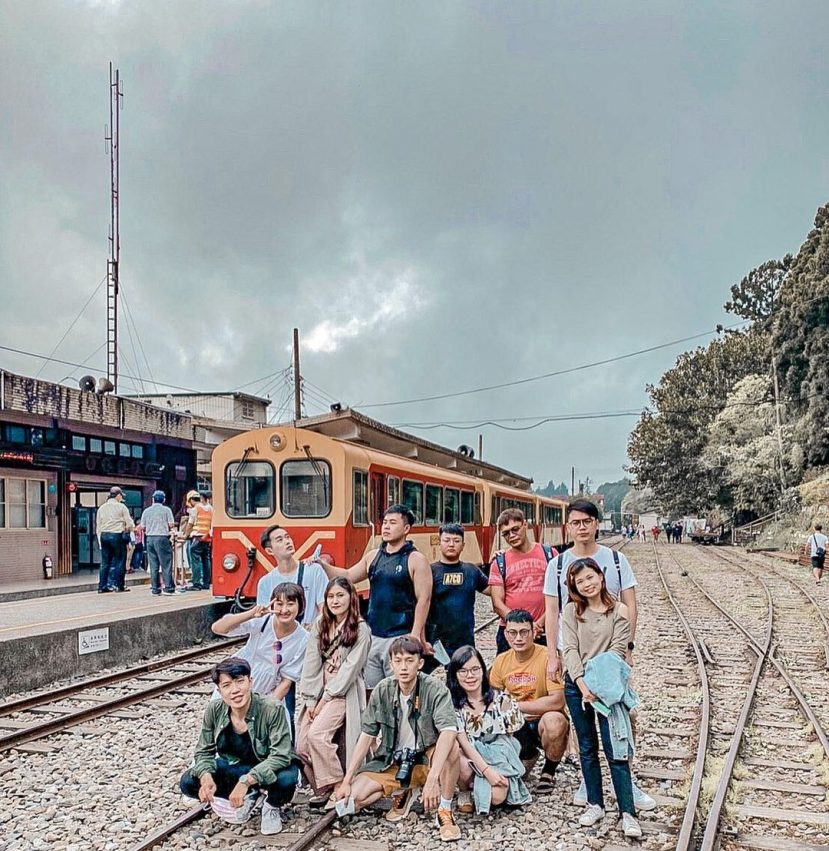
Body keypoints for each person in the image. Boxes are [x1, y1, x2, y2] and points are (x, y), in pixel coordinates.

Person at [543, 498, 653, 810]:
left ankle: (626, 781)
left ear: (595, 524)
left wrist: (627, 648)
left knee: (622, 719)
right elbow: (551, 612)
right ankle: (587, 781)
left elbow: (630, 605)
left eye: (586, 522)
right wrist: (553, 654)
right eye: (575, 522)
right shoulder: (558, 565)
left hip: (611, 658)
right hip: (576, 656)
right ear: (569, 526)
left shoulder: (616, 560)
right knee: (584, 725)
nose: (581, 527)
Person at [333, 635, 462, 842]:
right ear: (391, 663)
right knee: (351, 800)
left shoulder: (435, 689)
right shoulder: (383, 690)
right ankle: (405, 789)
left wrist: (432, 779)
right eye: (398, 661)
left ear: (420, 663)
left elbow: (448, 731)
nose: (404, 667)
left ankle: (445, 811)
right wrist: (347, 780)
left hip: (426, 759)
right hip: (394, 760)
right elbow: (367, 735)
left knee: (452, 748)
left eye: (409, 661)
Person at [561, 558, 642, 839]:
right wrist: (582, 684)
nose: (586, 584)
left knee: (615, 748)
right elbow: (569, 649)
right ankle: (595, 802)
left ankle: (627, 812)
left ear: (600, 575)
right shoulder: (571, 611)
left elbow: (618, 650)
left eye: (590, 577)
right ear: (574, 587)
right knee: (586, 745)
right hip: (577, 685)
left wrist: (596, 685)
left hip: (606, 686)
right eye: (579, 581)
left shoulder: (619, 610)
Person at [179, 657, 299, 835]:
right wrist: (206, 778)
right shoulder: (214, 710)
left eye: (240, 681)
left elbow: (281, 755)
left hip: (269, 768)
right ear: (219, 691)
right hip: (237, 767)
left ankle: (271, 806)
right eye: (226, 685)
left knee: (287, 779)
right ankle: (252, 794)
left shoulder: (272, 708)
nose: (235, 690)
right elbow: (204, 750)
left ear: (250, 682)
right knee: (188, 782)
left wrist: (246, 781)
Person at [322, 505, 433, 689]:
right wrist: (321, 564)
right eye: (385, 523)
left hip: (400, 635)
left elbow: (424, 599)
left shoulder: (416, 559)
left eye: (392, 523)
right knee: (373, 690)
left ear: (406, 529)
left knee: (400, 689)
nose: (386, 527)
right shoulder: (373, 556)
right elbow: (348, 576)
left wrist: (415, 634)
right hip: (373, 635)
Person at [296, 578, 371, 807]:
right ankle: (323, 786)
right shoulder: (321, 624)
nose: (335, 601)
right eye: (331, 596)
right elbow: (311, 661)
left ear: (351, 598)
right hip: (317, 692)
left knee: (317, 735)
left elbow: (350, 670)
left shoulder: (361, 630)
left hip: (342, 692)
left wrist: (325, 699)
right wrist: (310, 699)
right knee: (301, 745)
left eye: (340, 595)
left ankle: (338, 784)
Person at [489, 609, 568, 794]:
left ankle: (549, 771)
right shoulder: (501, 661)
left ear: (533, 632)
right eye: (513, 633)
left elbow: (557, 700)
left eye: (524, 632)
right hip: (516, 724)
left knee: (555, 722)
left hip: (541, 720)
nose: (519, 638)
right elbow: (494, 700)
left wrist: (515, 705)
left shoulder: (548, 657)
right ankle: (527, 754)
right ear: (506, 634)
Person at [447, 645, 530, 815]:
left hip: (498, 754)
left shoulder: (501, 700)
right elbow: (465, 744)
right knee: (462, 763)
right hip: (471, 757)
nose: (470, 676)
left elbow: (510, 738)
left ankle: (490, 786)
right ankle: (465, 790)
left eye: (475, 669)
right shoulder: (453, 706)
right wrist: (487, 772)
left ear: (483, 671)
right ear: (455, 674)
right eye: (463, 671)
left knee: (497, 797)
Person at [210, 583, 309, 716]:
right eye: (279, 604)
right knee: (221, 723)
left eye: (290, 604)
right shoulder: (262, 621)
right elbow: (218, 628)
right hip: (237, 679)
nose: (284, 610)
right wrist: (251, 614)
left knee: (276, 725)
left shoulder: (303, 638)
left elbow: (287, 680)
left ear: (300, 605)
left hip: (267, 690)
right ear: (272, 605)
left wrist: (268, 707)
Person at [488, 508, 557, 654]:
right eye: (506, 533)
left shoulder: (550, 554)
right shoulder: (500, 562)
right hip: (511, 633)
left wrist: (538, 625)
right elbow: (497, 603)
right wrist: (521, 627)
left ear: (525, 525)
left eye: (515, 529)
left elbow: (559, 595)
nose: (511, 536)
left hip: (545, 629)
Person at [425, 523, 491, 670]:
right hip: (434, 639)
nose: (451, 544)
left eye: (456, 541)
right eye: (446, 540)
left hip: (463, 638)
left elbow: (492, 590)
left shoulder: (471, 570)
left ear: (463, 545)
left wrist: (501, 563)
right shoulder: (430, 571)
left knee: (461, 681)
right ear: (439, 542)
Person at [256, 525, 329, 626]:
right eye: (280, 540)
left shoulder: (314, 570)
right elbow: (264, 617)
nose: (287, 541)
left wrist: (315, 630)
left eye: (287, 537)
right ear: (269, 550)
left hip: (311, 635)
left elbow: (325, 608)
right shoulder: (265, 582)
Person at [96, 486, 135, 593]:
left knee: (105, 562)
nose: (121, 497)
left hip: (104, 536)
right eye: (121, 495)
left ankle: (102, 586)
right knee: (120, 561)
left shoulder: (102, 508)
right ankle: (119, 586)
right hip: (117, 535)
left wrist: (100, 541)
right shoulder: (121, 507)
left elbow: (98, 526)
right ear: (118, 495)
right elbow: (130, 523)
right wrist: (130, 529)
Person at [139, 490, 176, 595]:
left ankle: (155, 588)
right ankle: (168, 587)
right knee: (166, 564)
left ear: (153, 500)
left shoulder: (146, 511)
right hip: (162, 537)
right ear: (163, 500)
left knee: (153, 564)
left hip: (150, 538)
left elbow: (142, 526)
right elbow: (171, 524)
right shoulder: (166, 510)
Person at [182, 490, 213, 591]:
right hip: (207, 537)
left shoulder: (196, 509)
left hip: (198, 537)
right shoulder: (211, 509)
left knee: (195, 559)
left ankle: (196, 583)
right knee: (206, 559)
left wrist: (185, 535)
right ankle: (206, 583)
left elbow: (190, 524)